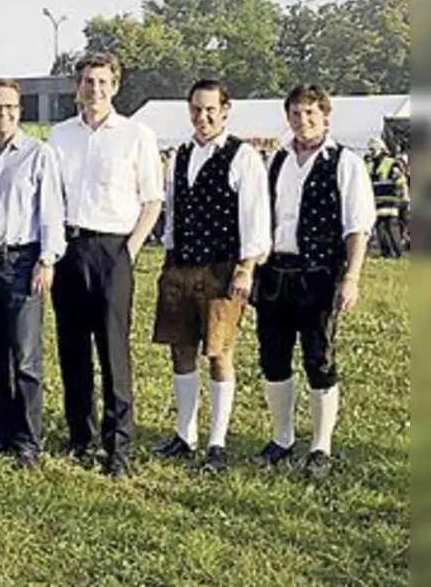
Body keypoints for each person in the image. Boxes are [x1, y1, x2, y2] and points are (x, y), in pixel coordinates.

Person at [48, 53, 163, 477]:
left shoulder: (136, 136)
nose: (94, 89)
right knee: (72, 349)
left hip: (114, 249)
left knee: (113, 351)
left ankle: (119, 446)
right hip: (69, 248)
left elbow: (152, 200)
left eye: (102, 81)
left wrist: (129, 252)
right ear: (78, 87)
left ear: (115, 86)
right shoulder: (60, 136)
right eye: (87, 81)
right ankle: (81, 437)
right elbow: (51, 198)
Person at [254, 84, 375, 480]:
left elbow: (357, 226)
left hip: (320, 275)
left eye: (310, 113)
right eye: (295, 113)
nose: (302, 120)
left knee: (318, 359)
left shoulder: (345, 163)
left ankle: (321, 446)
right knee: (273, 357)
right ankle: (282, 438)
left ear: (325, 116)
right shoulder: (277, 159)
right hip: (276, 272)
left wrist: (351, 277)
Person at [150, 80, 270, 474]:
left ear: (225, 110)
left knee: (219, 353)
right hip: (181, 265)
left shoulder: (242, 156)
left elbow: (254, 216)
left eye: (210, 110)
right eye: (196, 110)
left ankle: (217, 442)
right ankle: (185, 436)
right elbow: (173, 210)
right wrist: (168, 256)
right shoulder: (180, 155)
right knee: (180, 348)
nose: (202, 117)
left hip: (222, 268)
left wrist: (246, 268)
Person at [0, 79, 64, 469]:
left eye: (10, 107)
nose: (3, 113)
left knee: (26, 358)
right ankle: (2, 434)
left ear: (20, 111)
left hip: (23, 262)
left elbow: (51, 210)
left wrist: (47, 259)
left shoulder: (39, 154)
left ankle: (28, 441)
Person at [367, 138, 409, 259]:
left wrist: (397, 179)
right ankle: (386, 253)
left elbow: (401, 180)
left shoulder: (391, 162)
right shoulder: (369, 165)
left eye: (373, 149)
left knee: (391, 226)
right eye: (370, 149)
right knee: (380, 228)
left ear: (381, 149)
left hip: (390, 200)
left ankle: (397, 253)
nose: (371, 152)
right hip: (377, 201)